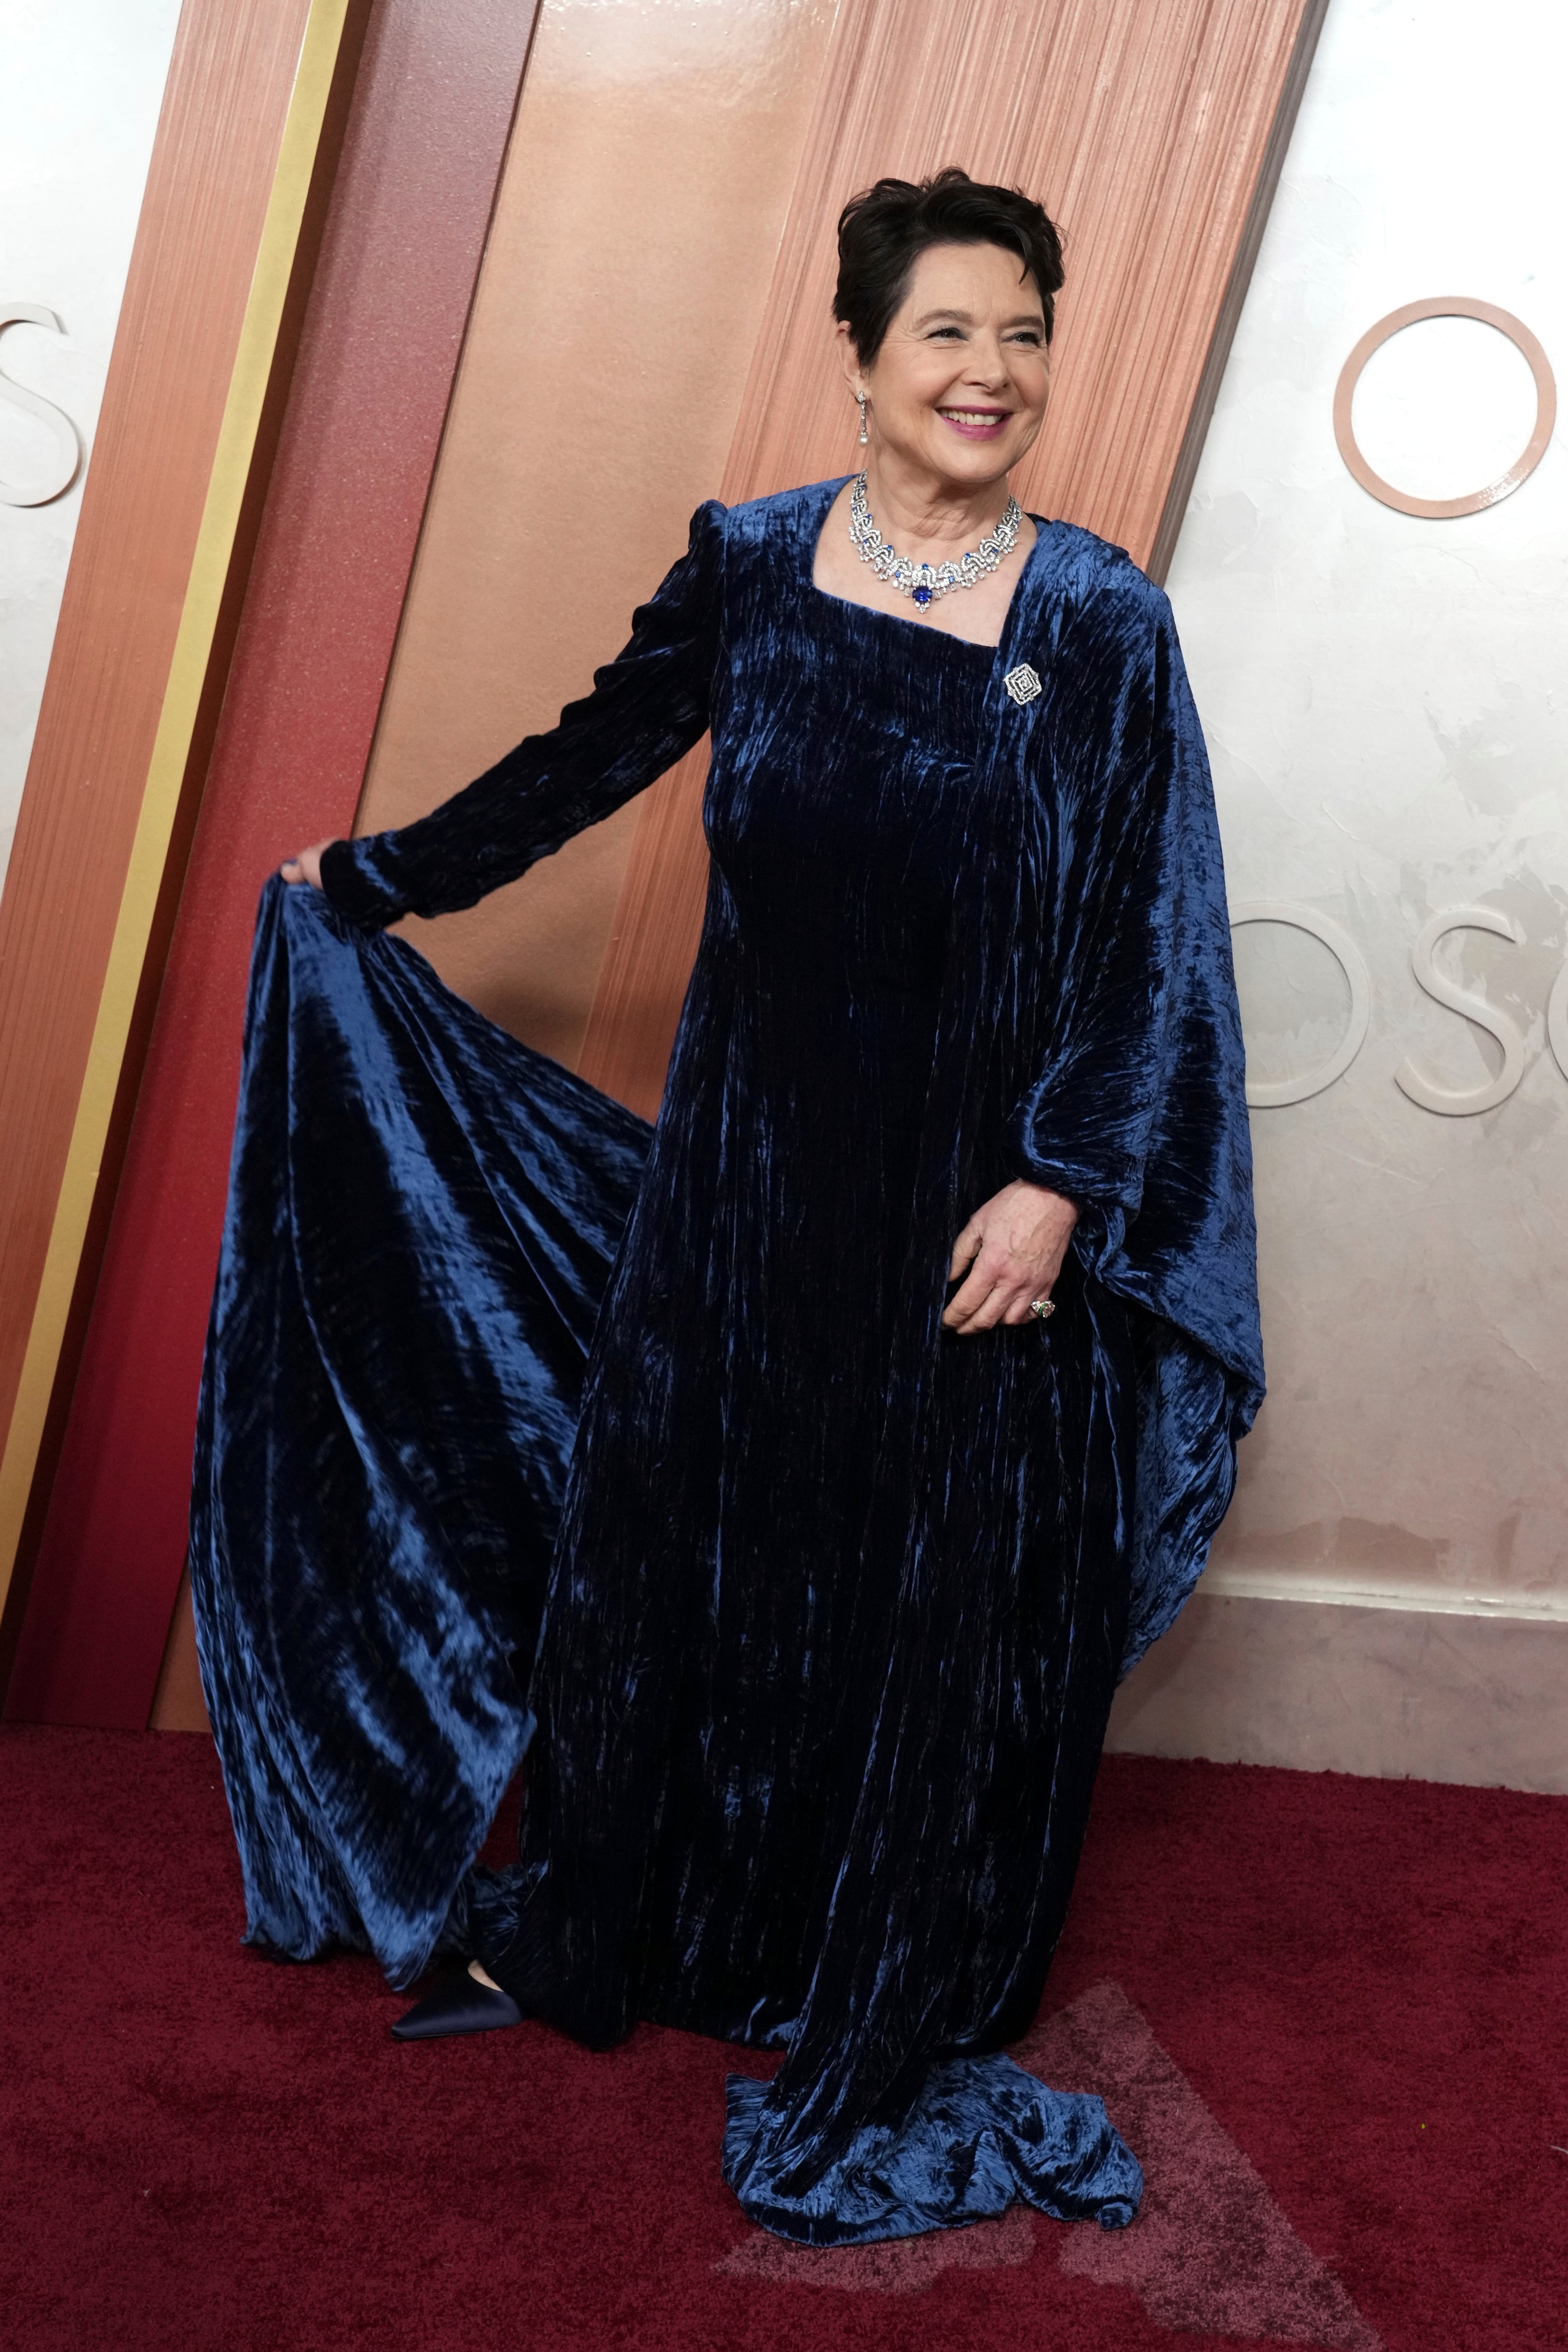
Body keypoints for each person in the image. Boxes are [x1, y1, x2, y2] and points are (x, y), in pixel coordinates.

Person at [191, 167, 1263, 2247]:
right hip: (748, 1192)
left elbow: (1156, 942)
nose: (993, 370)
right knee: (682, 1548)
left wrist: (1061, 1179)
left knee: (905, 1585)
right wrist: (383, 879)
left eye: (1026, 330)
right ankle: (623, 1916)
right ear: (857, 355)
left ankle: (869, 1963)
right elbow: (596, 753)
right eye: (948, 330)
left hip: (972, 1214)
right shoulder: (756, 566)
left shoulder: (1104, 619)